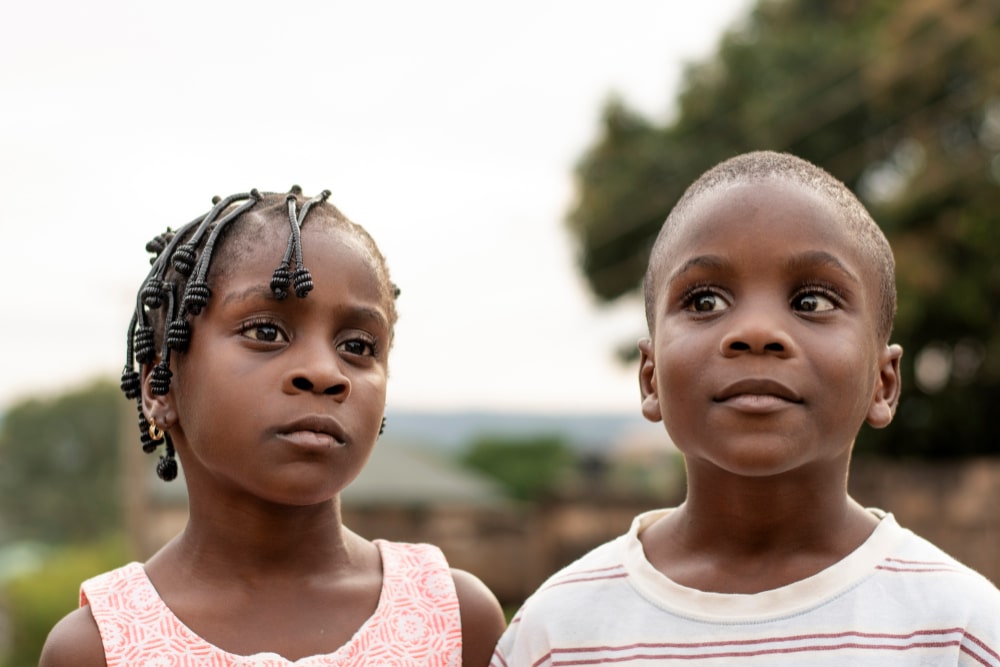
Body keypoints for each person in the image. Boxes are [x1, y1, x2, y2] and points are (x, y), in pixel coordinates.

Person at [491, 151, 1000, 666]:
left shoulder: (960, 630)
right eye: (705, 301)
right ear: (651, 378)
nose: (756, 332)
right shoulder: (558, 632)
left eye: (812, 302)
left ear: (883, 384)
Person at [40, 186, 506, 667]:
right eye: (266, 332)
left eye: (360, 346)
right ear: (161, 386)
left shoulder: (454, 620)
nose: (326, 372)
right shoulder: (99, 647)